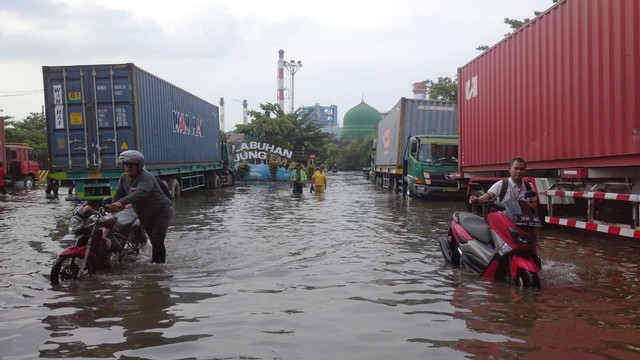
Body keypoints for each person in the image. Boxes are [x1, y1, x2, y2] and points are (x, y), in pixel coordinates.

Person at [108, 150, 172, 263]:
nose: (129, 167)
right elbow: (118, 194)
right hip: (145, 213)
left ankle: (158, 268)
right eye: (126, 165)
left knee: (157, 240)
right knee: (152, 239)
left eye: (132, 165)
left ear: (139, 165)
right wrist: (111, 207)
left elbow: (140, 193)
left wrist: (121, 203)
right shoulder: (124, 177)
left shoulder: (146, 177)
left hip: (160, 211)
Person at [469, 157, 538, 214]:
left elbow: (535, 203)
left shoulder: (529, 186)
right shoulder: (501, 184)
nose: (519, 171)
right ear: (509, 169)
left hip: (524, 220)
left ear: (525, 171)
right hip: (506, 219)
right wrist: (477, 199)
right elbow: (489, 195)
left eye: (522, 169)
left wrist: (525, 207)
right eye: (516, 168)